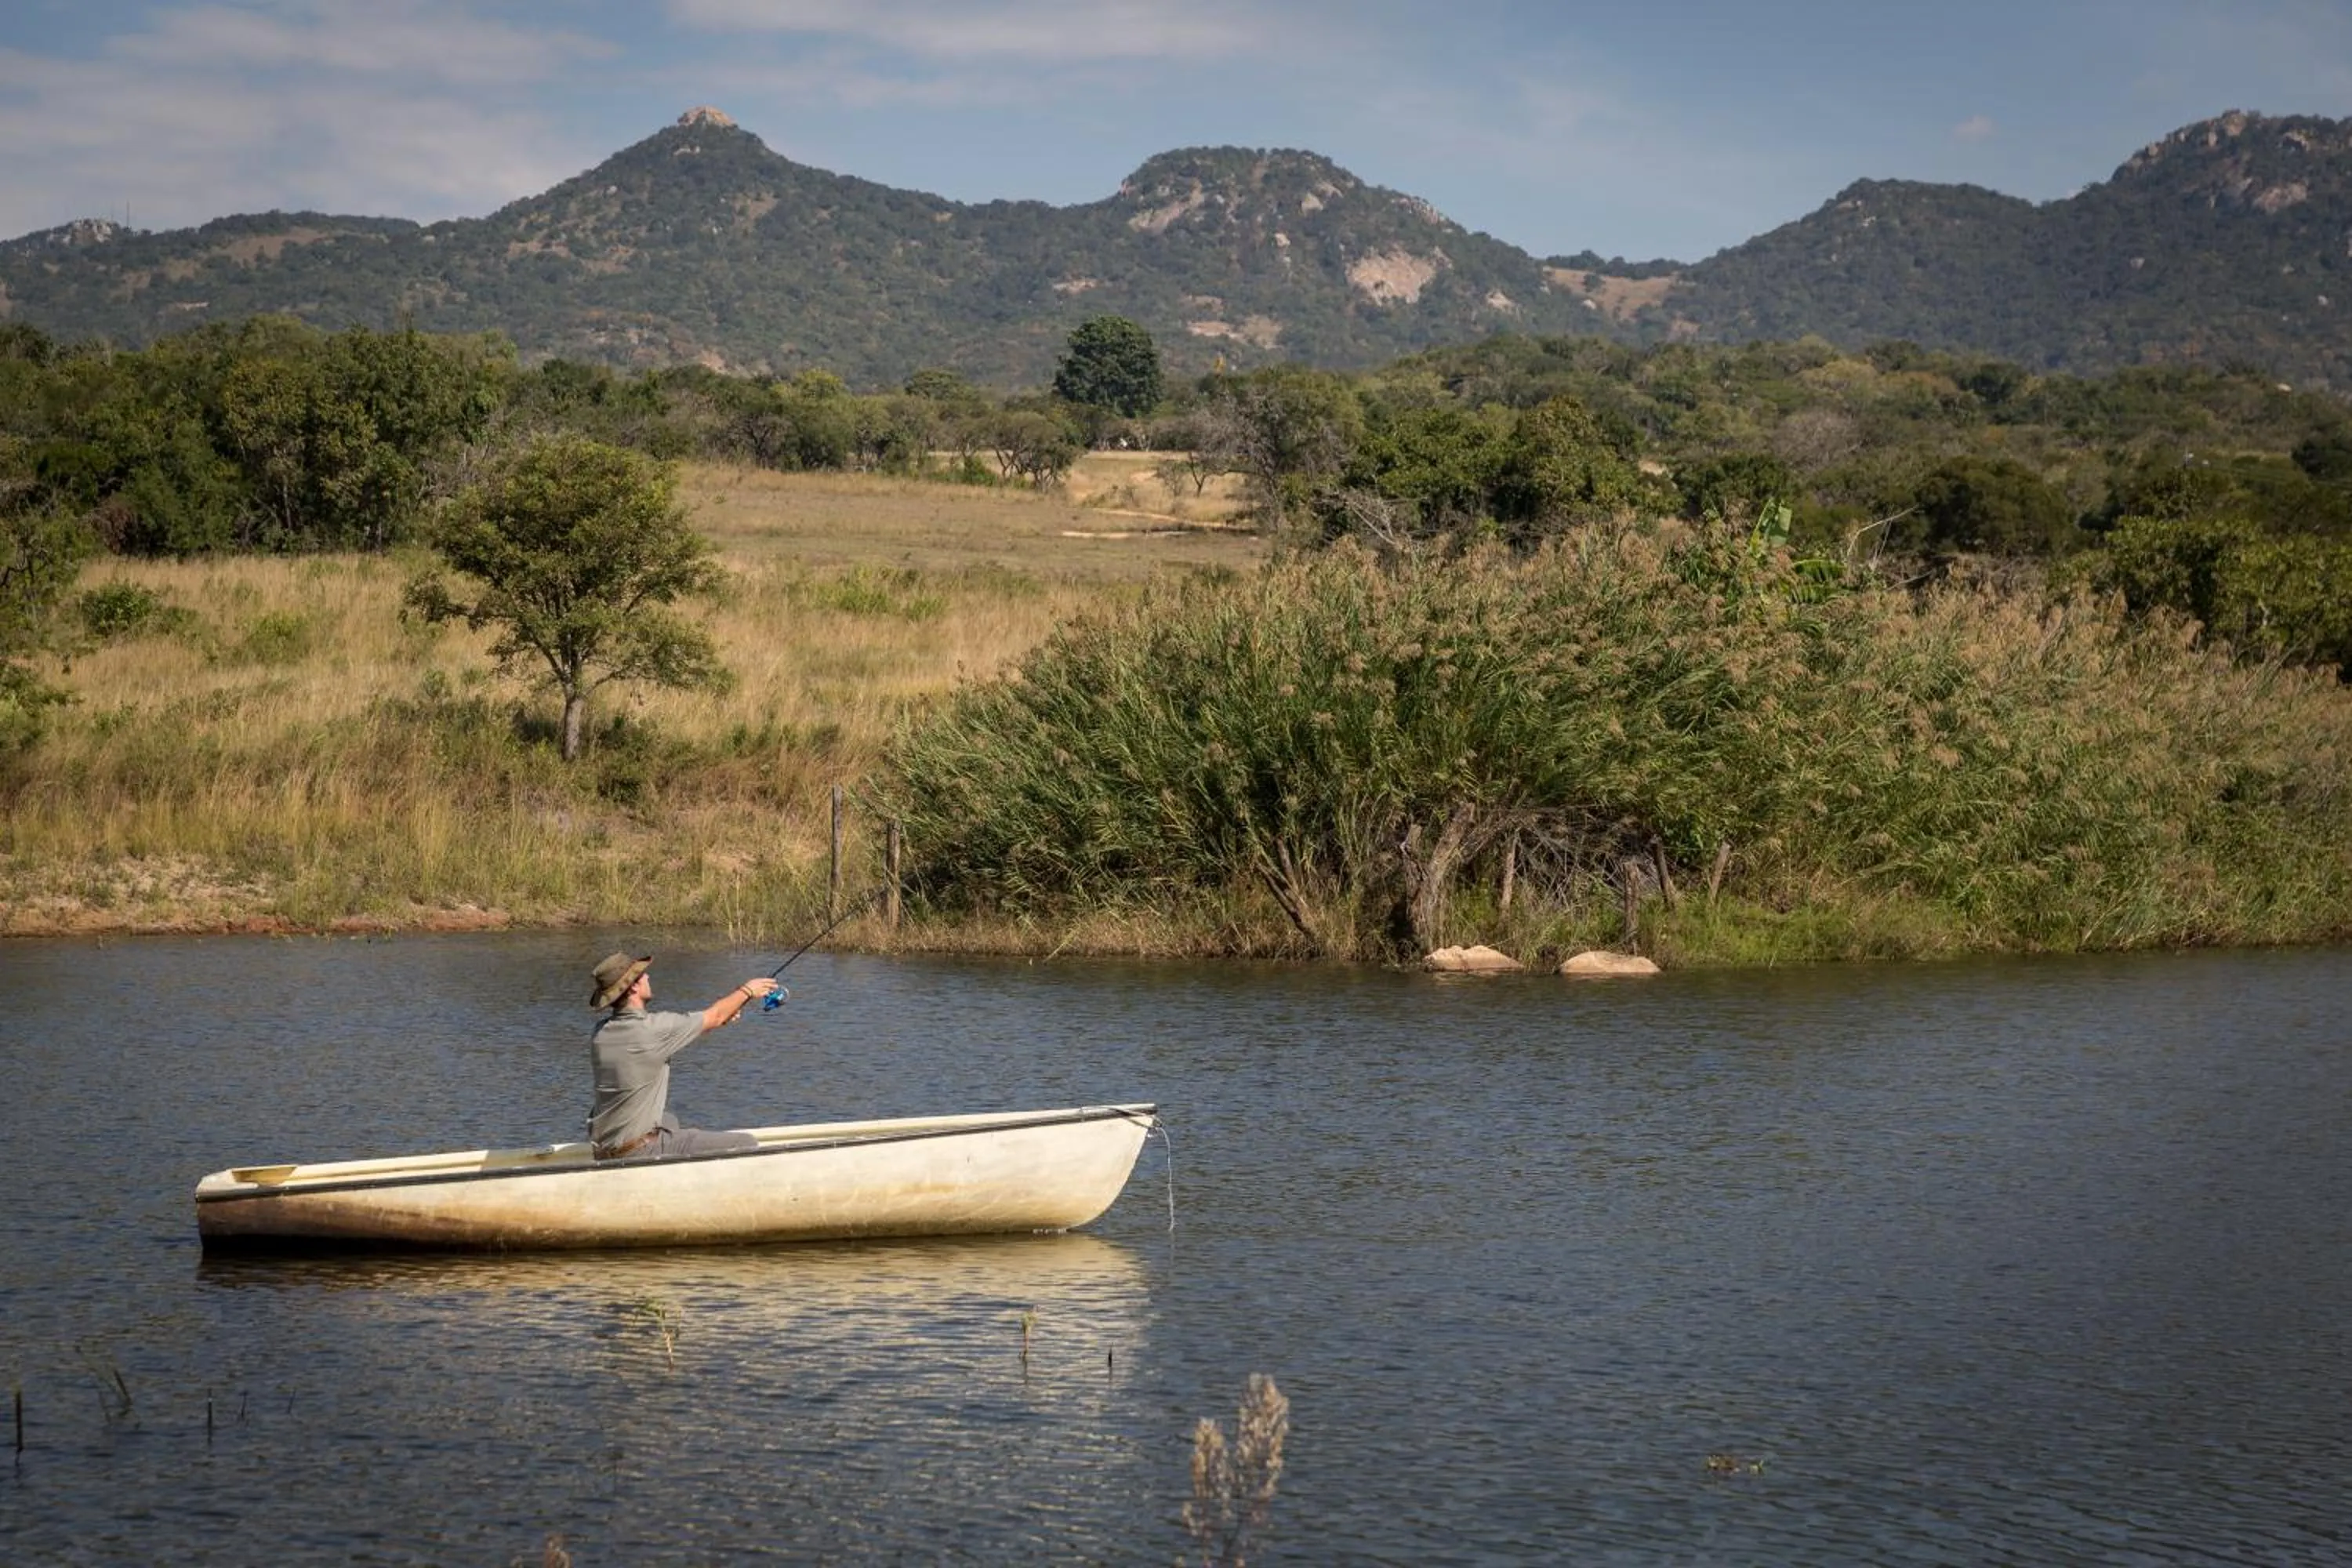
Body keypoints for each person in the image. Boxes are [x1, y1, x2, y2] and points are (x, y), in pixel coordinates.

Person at [586, 952, 779, 1161]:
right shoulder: (653, 1030)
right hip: (640, 1152)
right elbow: (712, 1016)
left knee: (668, 1120)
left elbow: (705, 1021)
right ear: (633, 987)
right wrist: (748, 991)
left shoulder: (601, 1033)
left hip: (603, 1150)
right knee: (746, 1143)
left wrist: (723, 1013)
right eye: (643, 976)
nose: (648, 978)